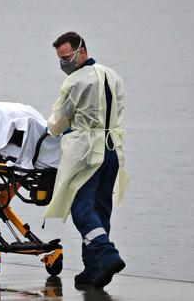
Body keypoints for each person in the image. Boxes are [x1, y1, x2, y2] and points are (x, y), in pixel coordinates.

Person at [43, 31, 129, 288]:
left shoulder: (75, 82)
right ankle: (93, 270)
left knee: (81, 208)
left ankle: (107, 254)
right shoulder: (112, 75)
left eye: (66, 57)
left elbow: (58, 121)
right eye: (60, 58)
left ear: (82, 51)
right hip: (112, 148)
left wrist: (50, 129)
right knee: (101, 208)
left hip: (86, 152)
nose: (64, 63)